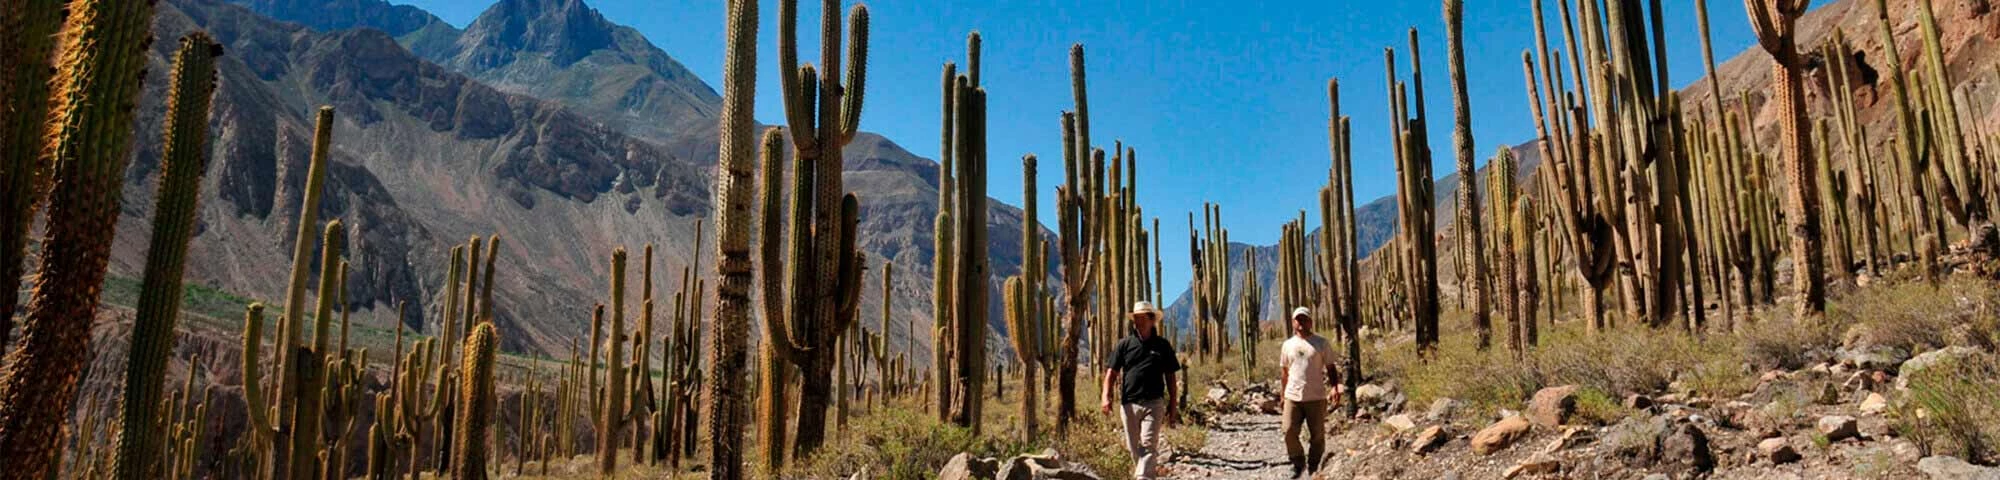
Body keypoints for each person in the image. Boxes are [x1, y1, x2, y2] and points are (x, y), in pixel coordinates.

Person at [1100, 301, 1181, 480]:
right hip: (1129, 404)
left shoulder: (1162, 346)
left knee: (1148, 445)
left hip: (1154, 403)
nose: (1138, 321)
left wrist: (1173, 405)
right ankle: (1146, 475)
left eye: (1142, 317)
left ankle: (1142, 477)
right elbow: (1111, 373)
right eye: (1136, 317)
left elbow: (1171, 378)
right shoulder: (1125, 345)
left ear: (1152, 320)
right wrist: (1106, 396)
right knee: (1133, 448)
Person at [1278, 306, 1340, 478]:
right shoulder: (1287, 345)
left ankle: (1313, 466)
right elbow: (1284, 373)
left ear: (1310, 321)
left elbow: (1330, 367)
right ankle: (1298, 463)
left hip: (1316, 396)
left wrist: (1335, 387)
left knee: (1318, 435)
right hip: (1293, 395)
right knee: (1288, 430)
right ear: (1293, 322)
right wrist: (1282, 395)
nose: (1301, 323)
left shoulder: (1321, 343)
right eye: (1298, 319)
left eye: (1304, 319)